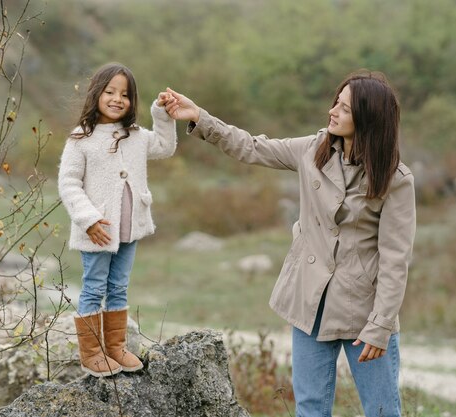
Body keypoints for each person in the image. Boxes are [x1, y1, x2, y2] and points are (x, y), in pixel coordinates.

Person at [162, 71, 415, 417]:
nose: (333, 112)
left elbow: (395, 260)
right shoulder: (313, 149)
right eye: (335, 103)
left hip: (364, 313)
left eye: (344, 108)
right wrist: (200, 117)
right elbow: (251, 146)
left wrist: (381, 325)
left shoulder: (395, 180)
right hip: (309, 302)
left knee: (382, 411)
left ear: (369, 118)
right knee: (310, 409)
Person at [58, 62, 176, 377]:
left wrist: (162, 114)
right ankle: (91, 354)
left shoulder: (136, 136)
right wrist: (89, 220)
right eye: (110, 91)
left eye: (124, 94)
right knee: (95, 287)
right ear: (97, 94)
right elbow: (68, 184)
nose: (117, 99)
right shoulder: (80, 138)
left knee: (119, 286)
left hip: (128, 229)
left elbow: (165, 147)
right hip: (97, 231)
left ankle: (116, 348)